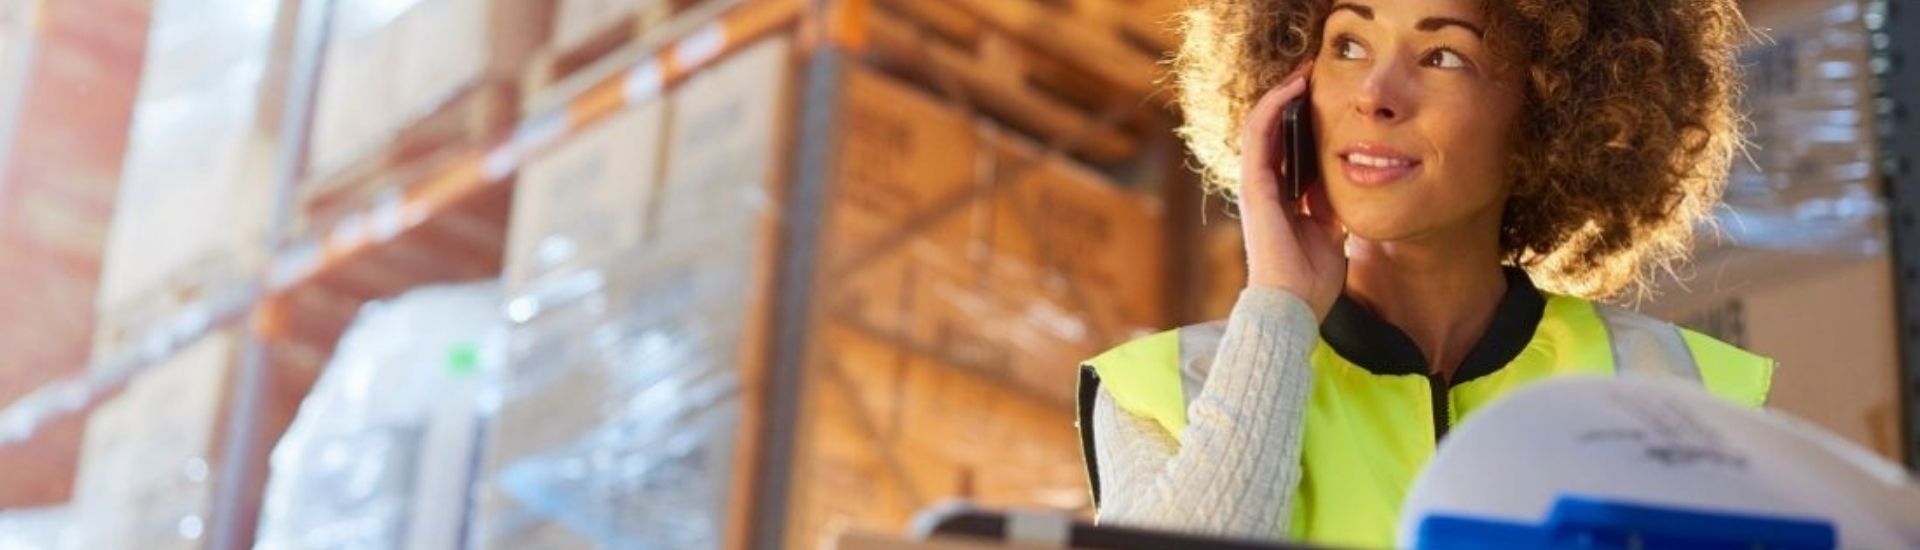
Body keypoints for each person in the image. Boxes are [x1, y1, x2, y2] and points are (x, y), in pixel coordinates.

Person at [1073, 0, 1773, 548]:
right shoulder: (1160, 389)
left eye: (1442, 55)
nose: (1375, 95)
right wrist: (1279, 311)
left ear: (1551, 113)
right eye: (1347, 44)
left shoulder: (1679, 392)